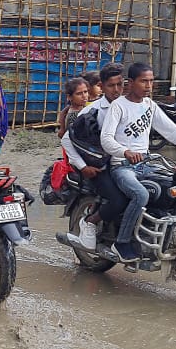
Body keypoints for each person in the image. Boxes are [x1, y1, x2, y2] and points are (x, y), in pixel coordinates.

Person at [99, 62, 176, 262]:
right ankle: (122, 242)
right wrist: (125, 152)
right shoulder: (118, 106)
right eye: (144, 81)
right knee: (140, 194)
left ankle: (163, 233)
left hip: (146, 163)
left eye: (151, 81)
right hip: (122, 166)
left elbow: (170, 130)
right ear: (131, 82)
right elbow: (106, 139)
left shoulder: (150, 106)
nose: (149, 86)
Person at [62, 64, 124, 250]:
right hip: (102, 166)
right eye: (111, 85)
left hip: (128, 164)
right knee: (119, 200)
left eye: (120, 84)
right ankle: (90, 223)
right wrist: (82, 166)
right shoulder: (92, 110)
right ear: (102, 86)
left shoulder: (133, 105)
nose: (117, 89)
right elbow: (67, 139)